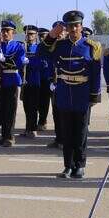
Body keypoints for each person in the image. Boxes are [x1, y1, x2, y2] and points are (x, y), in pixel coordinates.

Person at [40, 11, 102, 178]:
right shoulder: (59, 45)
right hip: (64, 93)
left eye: (76, 25)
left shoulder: (91, 46)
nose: (74, 28)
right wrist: (51, 36)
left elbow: (96, 73)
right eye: (70, 26)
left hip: (82, 94)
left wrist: (94, 95)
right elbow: (42, 53)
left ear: (81, 26)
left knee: (81, 133)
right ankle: (68, 166)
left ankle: (80, 165)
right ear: (66, 28)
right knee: (66, 133)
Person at [0, 20, 26, 147]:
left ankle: (10, 137)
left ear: (13, 32)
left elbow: (19, 62)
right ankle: (4, 136)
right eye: (3, 31)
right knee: (2, 109)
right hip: (1, 81)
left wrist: (5, 60)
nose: (5, 33)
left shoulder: (18, 46)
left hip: (12, 79)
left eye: (8, 31)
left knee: (10, 110)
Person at [45, 21, 66, 149]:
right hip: (54, 84)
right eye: (56, 31)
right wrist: (50, 81)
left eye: (61, 31)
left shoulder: (67, 46)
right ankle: (58, 138)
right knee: (56, 113)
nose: (58, 34)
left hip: (66, 84)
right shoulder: (52, 48)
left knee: (65, 113)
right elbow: (48, 66)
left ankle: (65, 139)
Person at [19, 25, 42, 138]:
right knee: (26, 106)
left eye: (32, 34)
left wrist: (30, 63)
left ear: (36, 35)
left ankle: (33, 129)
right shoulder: (22, 47)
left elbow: (42, 63)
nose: (29, 36)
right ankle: (28, 128)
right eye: (28, 34)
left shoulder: (39, 48)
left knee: (33, 106)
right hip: (25, 81)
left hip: (34, 81)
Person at [36, 27, 52, 131]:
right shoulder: (39, 47)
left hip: (48, 77)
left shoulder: (51, 46)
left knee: (45, 101)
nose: (42, 38)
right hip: (38, 77)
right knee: (38, 100)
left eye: (44, 36)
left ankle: (43, 121)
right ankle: (39, 120)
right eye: (40, 36)